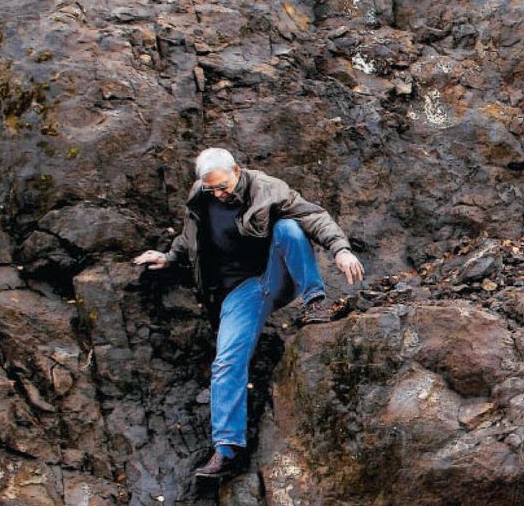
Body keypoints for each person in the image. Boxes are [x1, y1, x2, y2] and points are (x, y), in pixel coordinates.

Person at [134, 148, 364, 479]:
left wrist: (340, 249)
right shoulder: (201, 195)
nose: (218, 193)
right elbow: (192, 236)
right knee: (226, 361)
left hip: (275, 273)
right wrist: (169, 257)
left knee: (288, 228)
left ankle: (316, 301)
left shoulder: (267, 188)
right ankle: (227, 450)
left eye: (223, 186)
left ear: (237, 171)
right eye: (212, 188)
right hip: (241, 292)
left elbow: (312, 215)